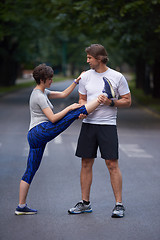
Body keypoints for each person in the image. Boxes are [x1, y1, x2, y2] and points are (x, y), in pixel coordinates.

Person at [15, 63, 106, 215]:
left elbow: (63, 94)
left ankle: (21, 206)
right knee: (71, 114)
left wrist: (76, 81)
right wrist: (69, 108)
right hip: (40, 131)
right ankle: (100, 99)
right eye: (50, 79)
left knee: (31, 170)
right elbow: (52, 118)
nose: (51, 81)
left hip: (35, 135)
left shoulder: (43, 92)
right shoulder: (38, 95)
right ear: (42, 79)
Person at [68, 44, 131, 218]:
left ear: (100, 58)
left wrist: (111, 103)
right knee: (86, 164)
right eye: (87, 57)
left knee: (112, 165)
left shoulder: (117, 77)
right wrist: (81, 109)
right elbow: (82, 98)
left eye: (90, 58)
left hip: (108, 126)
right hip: (88, 125)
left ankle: (119, 205)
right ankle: (85, 203)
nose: (87, 61)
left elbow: (127, 101)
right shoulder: (86, 76)